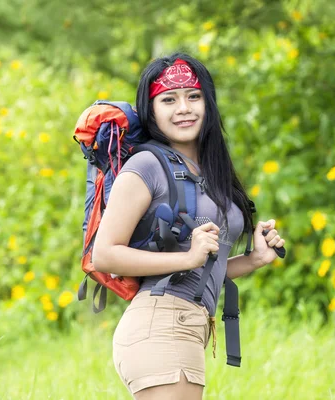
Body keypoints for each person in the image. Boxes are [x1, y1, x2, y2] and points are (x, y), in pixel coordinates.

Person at [91, 51, 285, 400]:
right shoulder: (146, 165)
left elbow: (203, 266)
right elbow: (105, 254)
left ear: (207, 103)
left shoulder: (208, 172)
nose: (184, 108)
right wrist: (187, 258)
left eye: (193, 96)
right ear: (152, 112)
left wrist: (254, 258)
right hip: (161, 325)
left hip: (187, 328)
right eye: (169, 100)